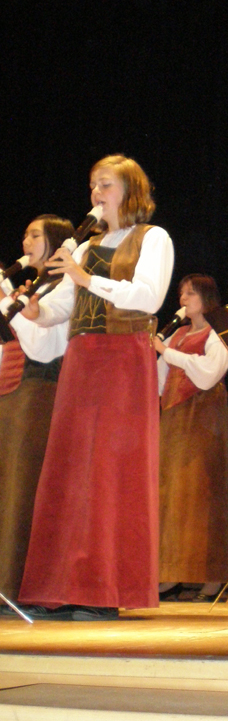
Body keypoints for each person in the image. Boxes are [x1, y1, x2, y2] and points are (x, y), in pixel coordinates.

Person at [18, 154, 174, 621]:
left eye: (105, 184)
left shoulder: (153, 238)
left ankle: (103, 588)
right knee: (70, 469)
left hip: (124, 358)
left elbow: (149, 297)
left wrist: (85, 276)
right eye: (92, 185)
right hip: (83, 360)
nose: (95, 193)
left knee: (109, 470)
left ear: (130, 191)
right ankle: (60, 585)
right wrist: (34, 310)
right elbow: (64, 307)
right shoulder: (86, 247)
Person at [0, 215, 74, 603]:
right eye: (25, 234)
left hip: (41, 393)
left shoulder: (62, 287)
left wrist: (6, 300)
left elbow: (45, 348)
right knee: (8, 487)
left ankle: (17, 585)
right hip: (14, 393)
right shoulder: (36, 287)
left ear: (55, 242)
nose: (25, 241)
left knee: (23, 488)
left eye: (34, 235)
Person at [154, 274, 228, 601]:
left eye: (190, 294)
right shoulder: (178, 334)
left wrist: (167, 352)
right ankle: (171, 571)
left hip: (203, 417)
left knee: (202, 494)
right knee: (171, 495)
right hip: (174, 419)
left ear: (206, 298)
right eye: (182, 294)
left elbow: (208, 374)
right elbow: (160, 378)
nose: (183, 299)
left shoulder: (219, 332)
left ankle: (212, 575)